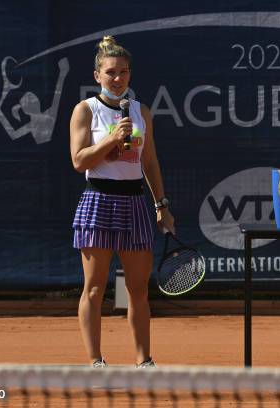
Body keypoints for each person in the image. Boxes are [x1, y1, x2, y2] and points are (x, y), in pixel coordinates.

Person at [70, 36, 175, 368]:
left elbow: (151, 163)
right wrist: (112, 139)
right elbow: (79, 160)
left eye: (124, 72)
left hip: (134, 204)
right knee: (94, 288)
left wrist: (162, 205)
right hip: (98, 201)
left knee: (139, 290)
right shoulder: (86, 110)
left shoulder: (142, 111)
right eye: (111, 72)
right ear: (98, 74)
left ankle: (144, 362)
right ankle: (95, 362)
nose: (118, 78)